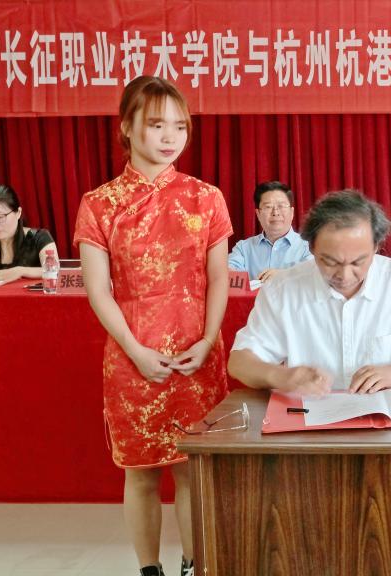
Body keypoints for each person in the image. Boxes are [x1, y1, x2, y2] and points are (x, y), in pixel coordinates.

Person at [74, 76, 233, 576]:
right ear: (127, 127)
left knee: (192, 470)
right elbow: (98, 290)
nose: (170, 137)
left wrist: (208, 340)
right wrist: (135, 350)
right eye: (156, 124)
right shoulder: (99, 203)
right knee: (141, 473)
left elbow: (218, 277)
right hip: (132, 358)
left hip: (196, 354)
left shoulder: (206, 197)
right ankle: (149, 568)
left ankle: (194, 564)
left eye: (180, 126)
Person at [228, 190, 391, 394]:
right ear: (312, 248)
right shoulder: (283, 290)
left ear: (375, 247)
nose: (345, 275)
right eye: (330, 261)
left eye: (358, 262)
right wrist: (281, 376)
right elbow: (239, 362)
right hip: (309, 415)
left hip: (388, 413)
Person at [228, 180, 312, 281]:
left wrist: (284, 275)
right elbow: (228, 274)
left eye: (281, 206)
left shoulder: (309, 246)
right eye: (268, 207)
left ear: (292, 212)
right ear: (258, 214)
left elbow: (315, 276)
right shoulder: (243, 249)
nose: (275, 212)